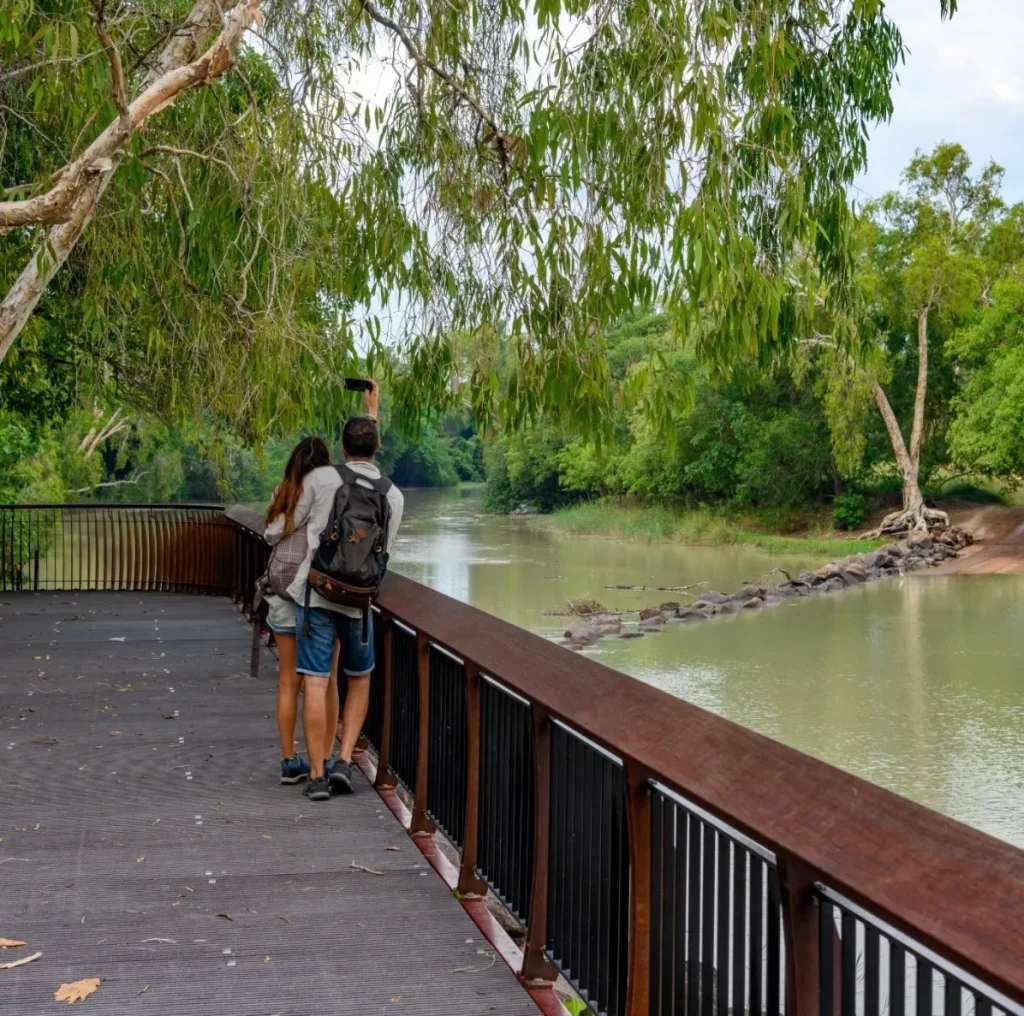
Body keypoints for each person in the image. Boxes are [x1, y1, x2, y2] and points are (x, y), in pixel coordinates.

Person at [287, 380, 404, 801]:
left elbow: (296, 523)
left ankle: (316, 775)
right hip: (359, 603)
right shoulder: (393, 494)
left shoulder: (321, 479)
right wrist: (374, 415)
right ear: (376, 449)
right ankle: (344, 760)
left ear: (342, 446)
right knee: (359, 678)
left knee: (317, 682)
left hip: (318, 594)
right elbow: (383, 549)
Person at [263, 437, 341, 784]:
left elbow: (271, 534)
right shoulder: (337, 487)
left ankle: (288, 760)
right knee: (324, 682)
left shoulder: (287, 490)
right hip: (322, 592)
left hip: (283, 593)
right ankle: (322, 759)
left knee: (287, 682)